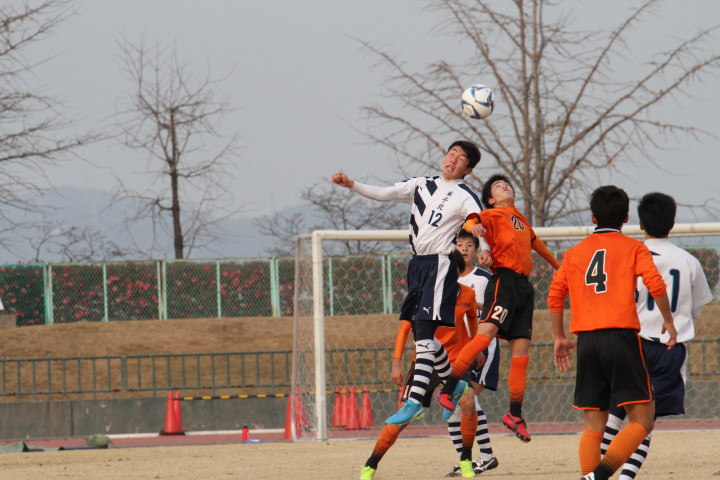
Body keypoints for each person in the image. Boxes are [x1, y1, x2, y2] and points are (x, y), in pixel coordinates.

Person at [332, 140, 489, 425]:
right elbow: (385, 193)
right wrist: (352, 183)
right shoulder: (422, 184)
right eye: (451, 153)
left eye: (461, 157)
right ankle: (457, 386)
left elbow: (477, 219)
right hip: (417, 264)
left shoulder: (465, 194)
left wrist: (485, 244)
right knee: (423, 336)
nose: (453, 159)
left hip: (440, 264)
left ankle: (414, 401)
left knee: (425, 333)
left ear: (469, 169)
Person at [548, 185, 678, 480]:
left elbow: (554, 296)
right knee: (643, 419)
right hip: (621, 338)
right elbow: (656, 285)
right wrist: (668, 321)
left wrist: (558, 337)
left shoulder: (574, 253)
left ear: (593, 217)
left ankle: (590, 475)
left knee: (594, 425)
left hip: (587, 341)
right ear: (626, 218)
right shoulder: (634, 247)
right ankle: (599, 476)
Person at [437, 174, 560, 443]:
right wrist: (475, 229)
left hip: (524, 289)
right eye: (497, 186)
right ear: (491, 199)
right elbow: (472, 222)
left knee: (521, 352)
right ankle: (447, 388)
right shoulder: (491, 214)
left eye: (506, 183)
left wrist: (559, 269)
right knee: (485, 334)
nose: (505, 185)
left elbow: (537, 245)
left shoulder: (520, 218)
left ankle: (514, 414)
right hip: (503, 282)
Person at [599, 192, 713, 480]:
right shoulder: (689, 261)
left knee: (615, 415)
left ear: (640, 224)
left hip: (629, 342)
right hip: (668, 347)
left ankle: (597, 470)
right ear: (672, 223)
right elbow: (695, 309)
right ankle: (624, 477)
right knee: (644, 421)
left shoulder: (627, 254)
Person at [359, 250, 497, 480]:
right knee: (403, 418)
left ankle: (466, 460)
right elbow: (404, 329)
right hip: (424, 362)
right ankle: (370, 464)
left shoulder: (467, 294)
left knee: (469, 402)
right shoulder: (419, 297)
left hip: (456, 362)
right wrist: (396, 363)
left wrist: (476, 348)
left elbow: (473, 320)